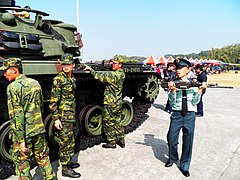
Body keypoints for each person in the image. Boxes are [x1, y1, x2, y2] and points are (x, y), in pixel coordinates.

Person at [0, 58, 55, 180]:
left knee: (22, 164)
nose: (4, 74)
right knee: (43, 158)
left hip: (24, 133)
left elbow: (16, 115)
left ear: (14, 70)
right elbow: (41, 107)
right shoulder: (35, 83)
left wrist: (21, 140)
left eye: (6, 71)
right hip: (38, 129)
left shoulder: (12, 87)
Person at [165, 58, 207, 177]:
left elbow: (195, 101)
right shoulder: (173, 82)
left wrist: (199, 90)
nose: (178, 70)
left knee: (188, 141)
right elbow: (172, 102)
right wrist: (172, 91)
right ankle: (173, 158)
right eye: (177, 68)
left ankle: (184, 165)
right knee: (171, 139)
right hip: (177, 114)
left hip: (189, 115)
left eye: (181, 68)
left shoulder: (193, 84)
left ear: (188, 70)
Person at [49, 54, 81, 178]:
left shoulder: (72, 78)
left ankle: (68, 162)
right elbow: (53, 102)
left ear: (73, 65)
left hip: (71, 114)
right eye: (64, 64)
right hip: (63, 116)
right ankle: (65, 168)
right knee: (65, 142)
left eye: (68, 64)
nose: (66, 67)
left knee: (71, 139)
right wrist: (56, 119)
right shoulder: (59, 79)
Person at [84, 56, 126, 149]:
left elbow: (99, 76)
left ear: (120, 65)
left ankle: (111, 142)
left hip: (110, 103)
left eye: (114, 63)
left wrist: (90, 70)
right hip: (117, 102)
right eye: (112, 63)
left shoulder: (114, 75)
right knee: (118, 121)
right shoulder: (121, 73)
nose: (112, 64)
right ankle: (121, 139)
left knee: (108, 121)